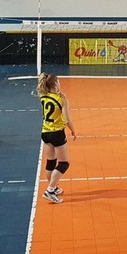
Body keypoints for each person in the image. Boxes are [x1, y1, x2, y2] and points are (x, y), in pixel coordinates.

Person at [37, 73, 76, 204]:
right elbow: (67, 119)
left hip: (45, 133)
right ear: (55, 84)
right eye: (58, 82)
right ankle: (50, 190)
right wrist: (73, 130)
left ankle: (53, 188)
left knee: (51, 162)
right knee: (64, 163)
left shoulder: (43, 96)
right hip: (57, 134)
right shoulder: (62, 100)